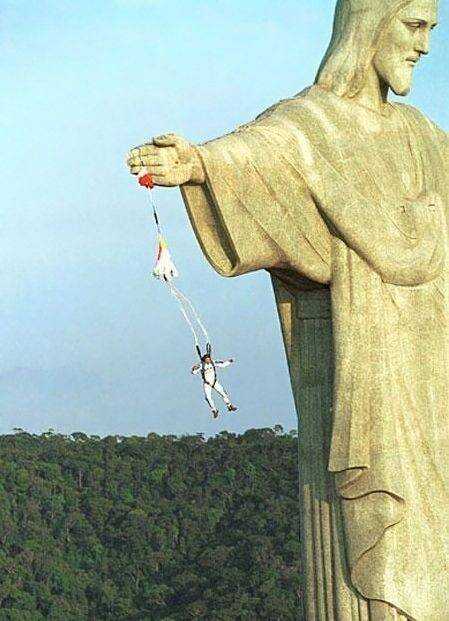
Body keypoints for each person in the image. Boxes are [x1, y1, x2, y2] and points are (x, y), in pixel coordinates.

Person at [127, 1, 449, 618]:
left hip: (431, 387)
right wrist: (197, 164)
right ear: (368, 24)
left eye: (432, 29)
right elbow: (257, 156)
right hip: (362, 383)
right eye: (414, 25)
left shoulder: (425, 139)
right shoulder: (310, 126)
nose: (425, 45)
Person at [191, 352, 237, 418]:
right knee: (208, 398)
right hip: (207, 384)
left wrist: (229, 361)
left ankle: (229, 405)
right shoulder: (201, 365)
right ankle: (214, 410)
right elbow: (194, 372)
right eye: (207, 359)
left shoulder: (213, 362)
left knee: (223, 393)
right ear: (204, 360)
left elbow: (222, 365)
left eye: (209, 359)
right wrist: (193, 368)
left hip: (214, 382)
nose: (208, 361)